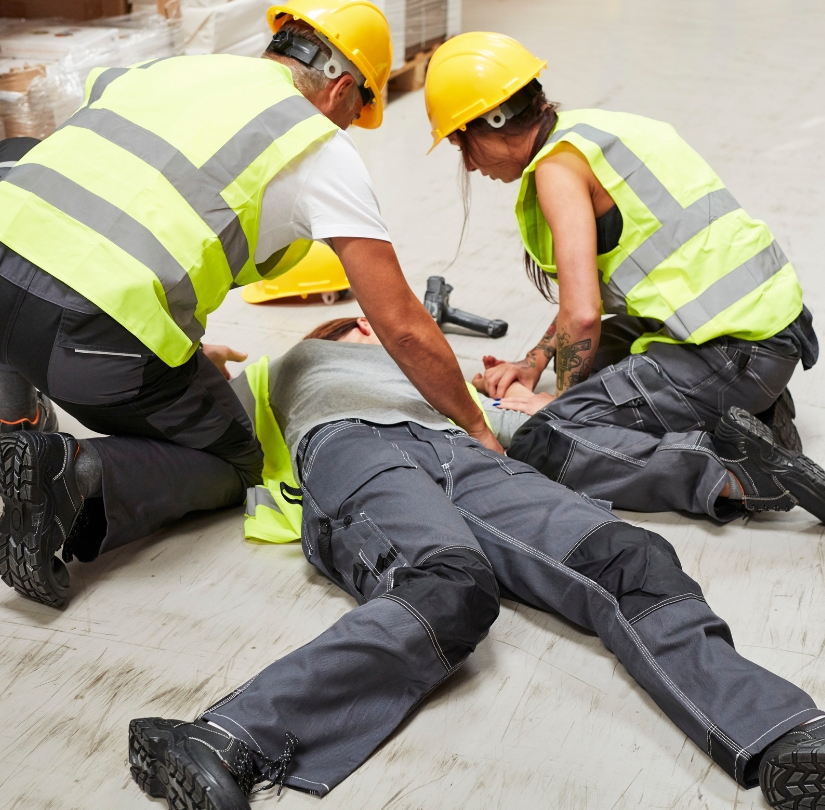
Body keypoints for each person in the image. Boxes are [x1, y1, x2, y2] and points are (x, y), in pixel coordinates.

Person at [0, 0, 500, 609]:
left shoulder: (168, 69)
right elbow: (402, 326)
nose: (349, 128)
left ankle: (13, 418)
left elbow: (107, 203)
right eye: (357, 111)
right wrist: (475, 425)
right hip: (87, 341)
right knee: (237, 461)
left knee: (21, 176)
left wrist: (182, 347)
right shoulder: (317, 147)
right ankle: (69, 472)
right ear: (343, 88)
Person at [127, 317, 825, 810]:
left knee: (630, 557)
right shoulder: (293, 367)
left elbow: (543, 435)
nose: (370, 331)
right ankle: (224, 737)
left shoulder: (442, 380)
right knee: (447, 589)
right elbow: (204, 432)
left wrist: (702, 473)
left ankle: (780, 732)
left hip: (467, 452)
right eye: (356, 327)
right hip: (353, 450)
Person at [422, 31, 824, 524]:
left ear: (493, 123)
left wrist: (558, 408)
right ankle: (760, 417)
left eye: (464, 142)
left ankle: (737, 474)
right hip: (766, 336)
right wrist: (533, 363)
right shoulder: (593, 131)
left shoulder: (556, 170)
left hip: (737, 354)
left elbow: (582, 313)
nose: (468, 162)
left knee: (548, 441)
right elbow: (584, 302)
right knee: (606, 346)